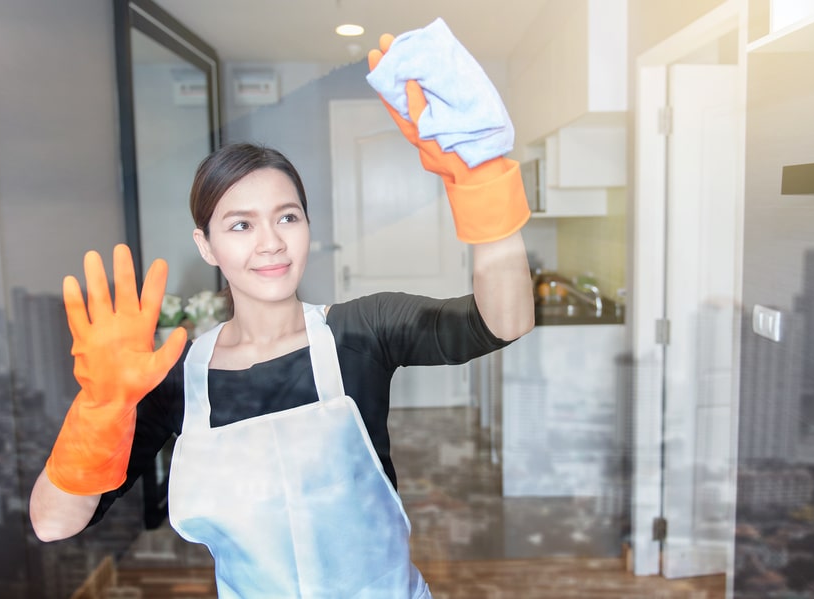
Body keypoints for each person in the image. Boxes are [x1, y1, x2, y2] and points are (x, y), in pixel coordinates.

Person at [29, 30, 534, 598]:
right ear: (206, 245)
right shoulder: (176, 383)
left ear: (308, 227)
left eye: (287, 217)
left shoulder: (361, 331)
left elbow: (502, 321)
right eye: (240, 224)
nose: (270, 242)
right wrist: (99, 411)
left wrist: (483, 182)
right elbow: (54, 522)